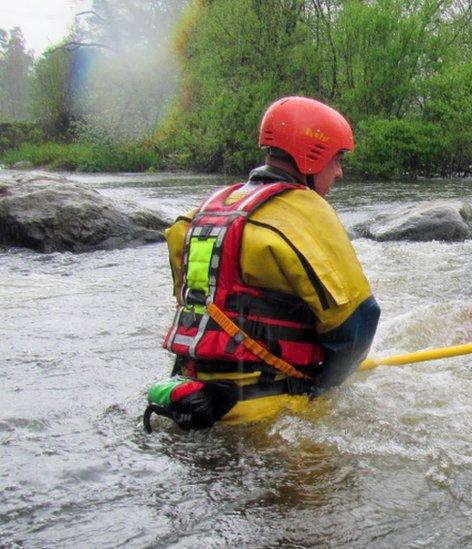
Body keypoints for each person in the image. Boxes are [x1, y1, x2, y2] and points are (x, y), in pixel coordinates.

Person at [145, 96, 381, 431]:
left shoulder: (205, 212)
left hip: (195, 405)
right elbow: (359, 323)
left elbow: (194, 306)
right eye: (337, 158)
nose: (340, 172)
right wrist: (321, 392)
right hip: (268, 416)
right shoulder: (305, 211)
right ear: (311, 157)